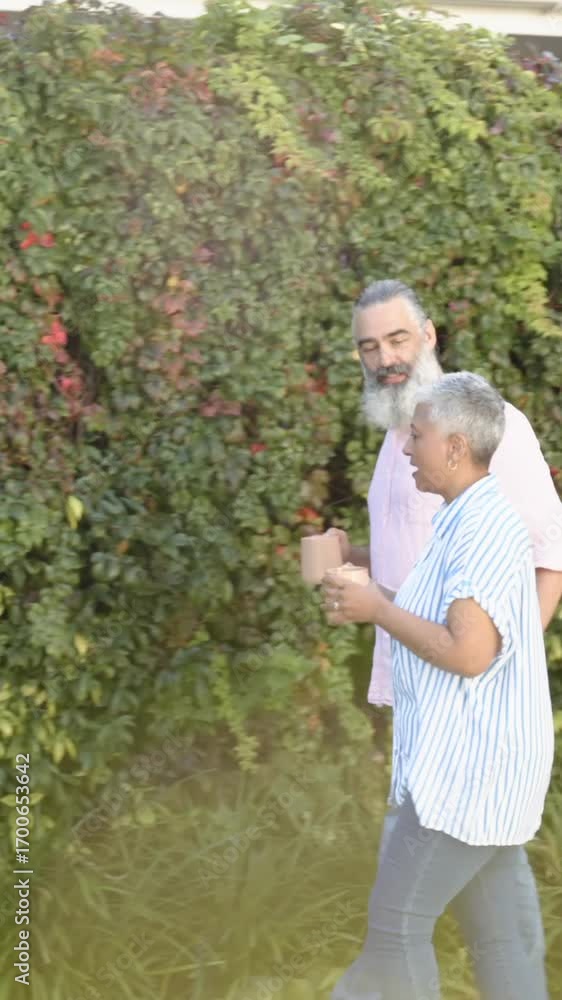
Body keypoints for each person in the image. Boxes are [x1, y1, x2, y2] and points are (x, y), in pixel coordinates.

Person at [323, 280, 562, 993]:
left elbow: (549, 556)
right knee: (503, 933)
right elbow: (426, 567)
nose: (385, 358)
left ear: (428, 335)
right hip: (430, 708)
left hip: (466, 729)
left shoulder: (492, 432)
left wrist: (494, 678)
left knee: (398, 925)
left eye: (398, 339)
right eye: (370, 346)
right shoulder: (402, 439)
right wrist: (354, 564)